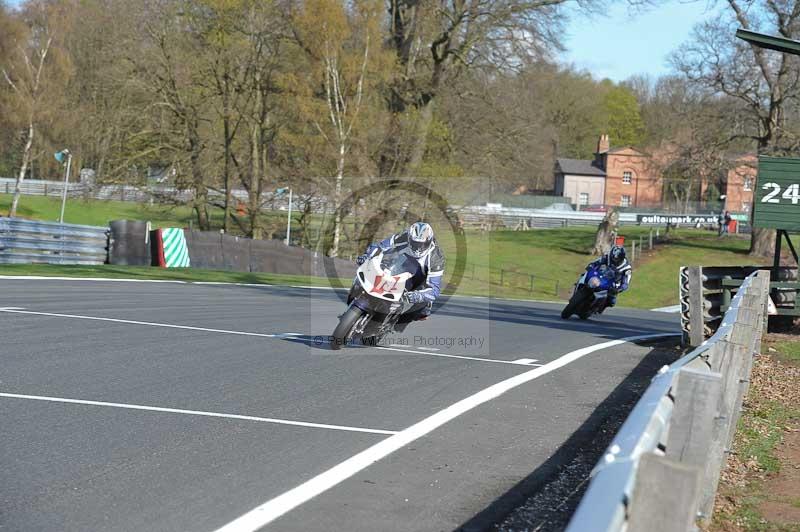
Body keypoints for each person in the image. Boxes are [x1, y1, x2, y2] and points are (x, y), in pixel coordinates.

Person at [356, 222, 445, 326]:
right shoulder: (402, 237)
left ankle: (395, 321)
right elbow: (380, 246)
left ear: (429, 241)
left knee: (422, 311)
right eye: (415, 243)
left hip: (418, 279)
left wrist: (417, 296)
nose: (418, 248)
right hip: (398, 267)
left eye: (422, 244)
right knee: (368, 275)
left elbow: (434, 289)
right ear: (409, 238)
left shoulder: (436, 257)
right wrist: (367, 256)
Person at [588, 245, 632, 310]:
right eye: (613, 258)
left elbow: (626, 283)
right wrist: (591, 266)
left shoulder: (627, 268)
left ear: (622, 258)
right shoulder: (607, 257)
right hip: (601, 276)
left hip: (614, 283)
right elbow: (595, 263)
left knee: (612, 301)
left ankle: (600, 308)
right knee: (586, 275)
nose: (615, 260)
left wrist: (619, 289)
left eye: (617, 259)